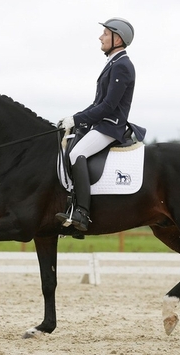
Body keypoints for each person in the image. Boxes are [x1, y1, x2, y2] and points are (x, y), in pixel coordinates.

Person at [56, 17, 145, 232]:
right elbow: (97, 104)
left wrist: (77, 120)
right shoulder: (113, 63)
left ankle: (82, 213)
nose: (100, 37)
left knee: (77, 154)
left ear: (118, 38)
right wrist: (74, 118)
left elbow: (108, 106)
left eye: (105, 33)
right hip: (100, 125)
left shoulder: (123, 65)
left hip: (109, 127)